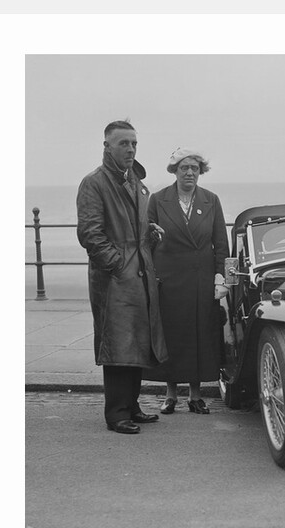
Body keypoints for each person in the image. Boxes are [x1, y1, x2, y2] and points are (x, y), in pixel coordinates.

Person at [77, 120, 168, 434]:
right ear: (107, 146)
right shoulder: (95, 183)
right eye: (123, 143)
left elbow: (132, 229)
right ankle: (116, 414)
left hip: (139, 271)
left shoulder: (135, 182)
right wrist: (117, 265)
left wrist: (149, 235)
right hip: (115, 277)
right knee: (118, 344)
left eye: (133, 143)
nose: (130, 149)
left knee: (138, 341)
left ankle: (131, 405)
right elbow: (90, 234)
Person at [143, 148, 230, 415]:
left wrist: (220, 277)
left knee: (198, 335)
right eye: (184, 168)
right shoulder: (158, 200)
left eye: (194, 168)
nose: (190, 172)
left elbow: (221, 244)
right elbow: (146, 238)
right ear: (174, 171)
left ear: (200, 172)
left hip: (200, 279)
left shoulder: (211, 200)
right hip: (168, 278)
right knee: (171, 335)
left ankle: (195, 394)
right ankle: (170, 395)